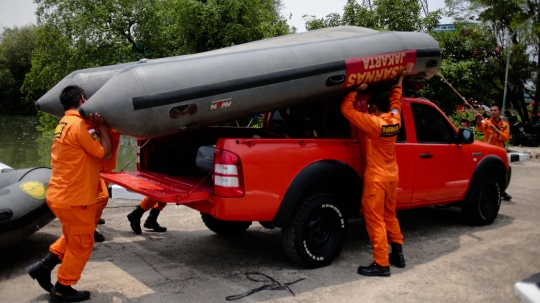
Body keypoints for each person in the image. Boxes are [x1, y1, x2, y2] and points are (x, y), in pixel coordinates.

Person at [26, 85, 112, 302]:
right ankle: (63, 288)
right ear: (83, 99)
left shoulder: (63, 123)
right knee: (82, 244)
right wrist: (102, 126)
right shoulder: (81, 125)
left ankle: (43, 266)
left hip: (60, 194)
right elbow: (104, 152)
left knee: (74, 237)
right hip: (76, 198)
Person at [340, 63, 413, 277]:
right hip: (391, 177)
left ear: (374, 108)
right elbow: (396, 101)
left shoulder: (374, 124)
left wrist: (354, 90)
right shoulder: (395, 120)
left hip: (377, 179)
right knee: (390, 214)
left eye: (371, 106)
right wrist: (400, 79)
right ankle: (397, 254)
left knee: (375, 219)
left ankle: (381, 264)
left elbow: (346, 110)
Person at [476, 104, 513, 201]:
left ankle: (502, 191)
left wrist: (496, 131)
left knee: (502, 172)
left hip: (499, 151)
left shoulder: (505, 124)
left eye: (495, 110)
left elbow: (506, 138)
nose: (492, 112)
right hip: (488, 151)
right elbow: (480, 128)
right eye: (491, 110)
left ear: (500, 111)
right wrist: (479, 120)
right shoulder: (487, 121)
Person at [94, 128, 121, 242]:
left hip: (108, 166)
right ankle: (89, 227)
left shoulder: (115, 125)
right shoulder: (90, 126)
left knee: (97, 198)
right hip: (95, 166)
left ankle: (96, 217)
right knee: (101, 197)